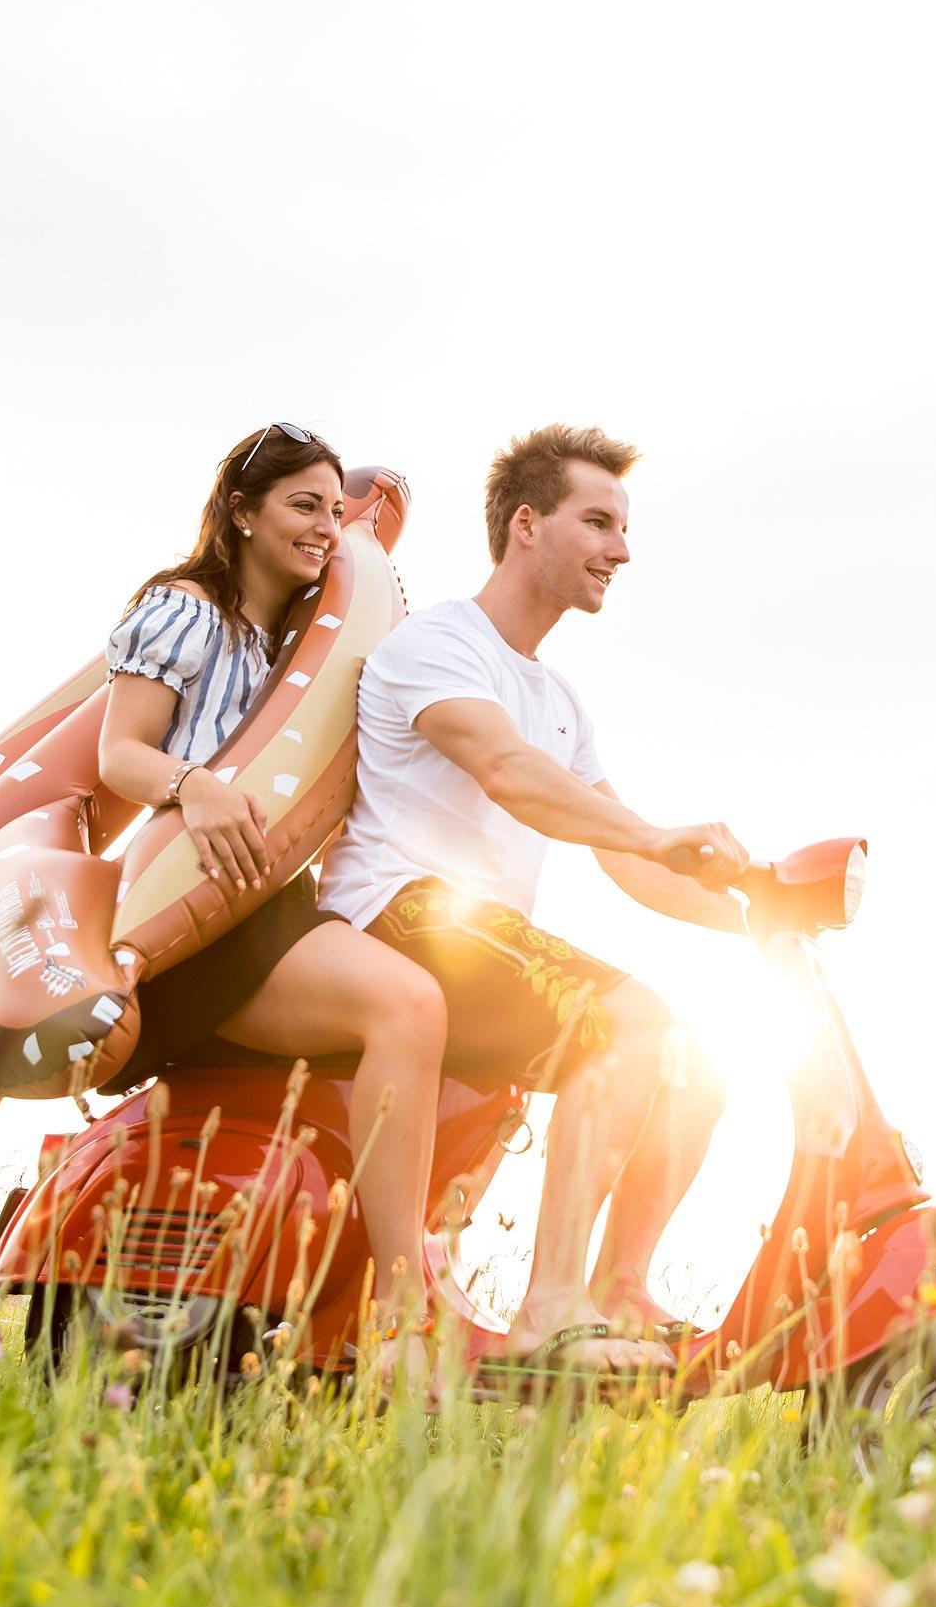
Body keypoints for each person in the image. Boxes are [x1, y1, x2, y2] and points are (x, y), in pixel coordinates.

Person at [318, 424, 750, 1379]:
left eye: (624, 528)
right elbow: (506, 769)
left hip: (481, 934)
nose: (622, 550)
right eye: (598, 522)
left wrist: (755, 918)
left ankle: (617, 1291)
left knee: (695, 1063)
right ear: (526, 525)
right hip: (400, 912)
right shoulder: (439, 643)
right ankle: (550, 1304)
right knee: (632, 1021)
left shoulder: (558, 696)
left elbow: (622, 848)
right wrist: (644, 834)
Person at [96, 423, 447, 1380]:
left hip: (273, 906)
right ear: (242, 513)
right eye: (303, 505)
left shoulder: (300, 646)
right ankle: (404, 1303)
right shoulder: (185, 610)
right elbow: (117, 752)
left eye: (337, 511)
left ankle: (354, 1291)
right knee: (407, 1007)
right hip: (202, 921)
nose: (327, 528)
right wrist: (194, 786)